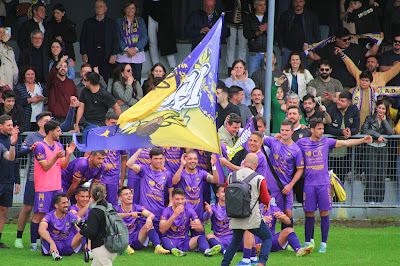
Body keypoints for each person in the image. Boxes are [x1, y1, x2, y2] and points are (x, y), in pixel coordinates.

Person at [297, 117, 372, 253]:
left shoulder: (326, 141)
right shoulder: (302, 142)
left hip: (324, 183)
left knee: (324, 212)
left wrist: (362, 140)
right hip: (309, 184)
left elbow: (345, 143)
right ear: (312, 130)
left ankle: (323, 244)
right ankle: (308, 241)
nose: (322, 131)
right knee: (308, 213)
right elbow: (290, 147)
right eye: (319, 128)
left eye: (322, 128)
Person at [30, 120, 75, 252]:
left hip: (56, 186)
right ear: (51, 132)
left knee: (53, 214)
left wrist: (68, 154)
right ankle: (34, 243)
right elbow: (45, 167)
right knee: (39, 214)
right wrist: (56, 156)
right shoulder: (40, 147)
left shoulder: (59, 145)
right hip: (43, 187)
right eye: (58, 131)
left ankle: (46, 241)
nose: (60, 133)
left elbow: (64, 166)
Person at [221, 153, 272, 266]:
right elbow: (265, 199)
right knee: (267, 237)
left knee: (236, 240)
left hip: (235, 214)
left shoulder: (230, 176)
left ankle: (225, 263)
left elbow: (226, 193)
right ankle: (261, 263)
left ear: (244, 162)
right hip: (251, 217)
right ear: (256, 165)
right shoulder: (259, 178)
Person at [14, 111, 50, 249]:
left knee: (43, 210)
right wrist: (30, 148)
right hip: (33, 178)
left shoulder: (52, 136)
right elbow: (20, 152)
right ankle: (19, 237)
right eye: (46, 120)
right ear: (39, 123)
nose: (48, 122)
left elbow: (66, 124)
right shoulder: (32, 137)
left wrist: (71, 109)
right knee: (28, 207)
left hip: (48, 180)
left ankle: (40, 239)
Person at [305, 27, 380, 90]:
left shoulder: (355, 48)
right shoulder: (329, 48)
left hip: (350, 85)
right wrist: (306, 49)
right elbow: (315, 57)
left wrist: (379, 41)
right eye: (344, 40)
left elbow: (371, 52)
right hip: (333, 86)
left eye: (349, 39)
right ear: (337, 39)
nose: (347, 41)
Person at [263, 120, 304, 227]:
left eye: (287, 130)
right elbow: (258, 140)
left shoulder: (296, 150)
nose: (284, 133)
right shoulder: (273, 141)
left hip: (285, 186)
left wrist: (290, 185)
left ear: (292, 132)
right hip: (271, 186)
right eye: (282, 130)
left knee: (287, 213)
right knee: (269, 212)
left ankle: (287, 240)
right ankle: (268, 240)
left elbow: (300, 169)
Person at [160, 188, 221, 257]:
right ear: (172, 199)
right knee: (164, 240)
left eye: (182, 199)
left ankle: (207, 250)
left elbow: (201, 229)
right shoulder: (167, 211)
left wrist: (196, 226)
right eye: (177, 199)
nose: (180, 201)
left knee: (201, 237)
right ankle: (174, 250)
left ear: (185, 199)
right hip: (170, 239)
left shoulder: (189, 210)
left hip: (184, 241)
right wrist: (174, 215)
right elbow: (162, 230)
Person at [126, 148, 174, 236]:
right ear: (150, 159)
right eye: (156, 159)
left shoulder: (167, 174)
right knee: (140, 243)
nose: (158, 161)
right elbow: (129, 164)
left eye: (160, 159)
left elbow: (171, 197)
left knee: (164, 240)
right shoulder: (144, 170)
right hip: (145, 215)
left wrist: (167, 212)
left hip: (160, 216)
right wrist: (140, 149)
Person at [115, 186, 170, 255]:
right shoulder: (116, 208)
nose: (129, 196)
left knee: (149, 223)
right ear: (120, 198)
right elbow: (112, 216)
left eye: (130, 193)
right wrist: (129, 214)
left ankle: (158, 247)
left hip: (136, 239)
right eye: (126, 194)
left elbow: (151, 214)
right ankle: (126, 247)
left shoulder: (137, 207)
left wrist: (149, 218)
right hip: (122, 238)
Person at [172, 151, 219, 223]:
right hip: (183, 212)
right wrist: (182, 165)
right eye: (190, 159)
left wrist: (213, 166)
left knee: (199, 233)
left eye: (195, 159)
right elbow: (174, 181)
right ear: (185, 159)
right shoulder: (181, 172)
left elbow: (215, 180)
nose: (193, 161)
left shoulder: (202, 173)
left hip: (198, 213)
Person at [361, 99, 393, 204]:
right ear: (376, 108)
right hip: (371, 147)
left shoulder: (388, 119)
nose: (381, 110)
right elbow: (364, 130)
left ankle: (379, 199)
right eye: (379, 108)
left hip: (383, 148)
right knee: (371, 172)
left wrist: (384, 120)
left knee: (381, 174)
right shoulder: (369, 118)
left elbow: (390, 132)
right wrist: (377, 135)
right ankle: (370, 199)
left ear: (386, 110)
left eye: (383, 109)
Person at [80, 0, 120, 81]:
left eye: (101, 6)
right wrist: (84, 53)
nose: (99, 8)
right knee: (91, 79)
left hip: (106, 56)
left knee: (104, 80)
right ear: (94, 9)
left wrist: (113, 54)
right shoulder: (88, 23)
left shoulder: (111, 23)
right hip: (92, 56)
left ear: (105, 9)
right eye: (97, 7)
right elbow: (82, 39)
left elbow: (116, 39)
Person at [74, 72, 121, 140]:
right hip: (87, 123)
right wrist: (77, 124)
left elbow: (116, 107)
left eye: (85, 80)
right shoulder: (85, 91)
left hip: (100, 124)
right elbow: (81, 107)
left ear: (89, 82)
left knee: (90, 133)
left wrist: (117, 123)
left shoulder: (104, 94)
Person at [79, 184, 117, 265]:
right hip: (113, 246)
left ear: (92, 196)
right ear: (105, 195)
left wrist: (82, 230)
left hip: (101, 248)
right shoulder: (111, 208)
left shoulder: (94, 211)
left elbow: (92, 232)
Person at [325, 91, 360, 177]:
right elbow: (327, 128)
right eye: (339, 100)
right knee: (330, 177)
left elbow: (356, 128)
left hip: (347, 152)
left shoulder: (354, 109)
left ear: (348, 103)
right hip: (331, 151)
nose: (339, 102)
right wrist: (341, 132)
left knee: (342, 176)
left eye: (342, 101)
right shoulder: (331, 109)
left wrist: (349, 132)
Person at [38, 193, 83, 260]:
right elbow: (41, 229)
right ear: (56, 205)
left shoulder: (71, 215)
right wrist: (52, 243)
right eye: (63, 203)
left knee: (84, 230)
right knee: (43, 232)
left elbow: (82, 223)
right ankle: (54, 252)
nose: (67, 205)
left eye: (67, 202)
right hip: (53, 243)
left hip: (67, 243)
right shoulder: (49, 216)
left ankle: (89, 251)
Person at [278, 0, 320, 69]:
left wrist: (313, 51)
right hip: (288, 50)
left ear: (304, 2)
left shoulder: (311, 16)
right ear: (292, 2)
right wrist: (282, 47)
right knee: (285, 74)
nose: (298, 4)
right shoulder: (286, 15)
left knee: (305, 75)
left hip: (305, 51)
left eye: (300, 1)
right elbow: (280, 32)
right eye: (296, 1)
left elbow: (317, 34)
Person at [98, 112, 127, 205]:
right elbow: (88, 155)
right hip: (99, 175)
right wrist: (101, 165)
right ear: (106, 122)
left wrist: (122, 179)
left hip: (113, 177)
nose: (115, 126)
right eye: (113, 123)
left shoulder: (121, 139)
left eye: (117, 124)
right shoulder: (99, 136)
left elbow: (124, 159)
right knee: (99, 203)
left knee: (112, 205)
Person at [116, 0, 148, 83]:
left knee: (136, 80)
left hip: (137, 56)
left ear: (136, 10)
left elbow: (144, 37)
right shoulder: (119, 21)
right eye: (128, 8)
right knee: (122, 80)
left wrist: (136, 49)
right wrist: (127, 49)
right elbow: (117, 37)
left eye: (133, 8)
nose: (130, 10)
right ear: (124, 9)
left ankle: (136, 96)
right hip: (123, 56)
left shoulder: (140, 21)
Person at [336, 49, 400, 90]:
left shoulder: (383, 75)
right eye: (368, 62)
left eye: (372, 62)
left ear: (377, 65)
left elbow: (396, 69)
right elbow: (350, 66)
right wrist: (342, 55)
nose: (370, 64)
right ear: (366, 65)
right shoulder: (360, 74)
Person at [0, 114, 19, 249]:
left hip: (7, 181)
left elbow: (12, 158)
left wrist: (13, 143)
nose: (11, 128)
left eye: (12, 125)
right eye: (9, 125)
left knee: (3, 210)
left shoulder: (11, 140)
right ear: (1, 126)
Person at [142, 0, 177, 70]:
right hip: (150, 11)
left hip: (164, 11)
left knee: (166, 40)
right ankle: (155, 66)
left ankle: (173, 67)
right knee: (152, 41)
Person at [203, 184, 236, 255]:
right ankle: (225, 251)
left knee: (247, 232)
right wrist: (208, 212)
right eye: (223, 191)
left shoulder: (234, 206)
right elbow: (205, 218)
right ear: (217, 194)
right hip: (220, 239)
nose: (225, 193)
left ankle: (256, 248)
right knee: (209, 235)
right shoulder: (213, 207)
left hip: (233, 238)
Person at [46, 55, 78, 123]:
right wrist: (59, 62)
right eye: (60, 66)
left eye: (65, 66)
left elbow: (76, 98)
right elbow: (51, 75)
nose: (63, 68)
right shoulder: (52, 81)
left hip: (69, 118)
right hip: (54, 118)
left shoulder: (71, 83)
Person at [14, 66, 47, 131]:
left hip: (40, 118)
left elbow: (47, 99)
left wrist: (41, 98)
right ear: (24, 76)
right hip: (26, 118)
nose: (30, 76)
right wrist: (31, 100)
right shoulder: (19, 88)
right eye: (28, 74)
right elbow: (17, 102)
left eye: (32, 74)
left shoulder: (40, 86)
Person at [243, 0, 268, 76]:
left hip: (267, 53)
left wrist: (267, 29)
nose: (263, 7)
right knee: (253, 75)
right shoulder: (249, 18)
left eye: (264, 5)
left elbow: (277, 33)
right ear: (255, 6)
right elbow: (246, 34)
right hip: (254, 52)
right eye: (260, 5)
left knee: (267, 76)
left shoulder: (269, 17)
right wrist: (258, 32)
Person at [225, 0, 250, 74]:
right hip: (230, 22)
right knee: (230, 47)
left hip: (243, 23)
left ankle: (241, 68)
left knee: (243, 47)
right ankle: (230, 69)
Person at [0, 25, 18, 90]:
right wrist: (3, 42)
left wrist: (15, 78)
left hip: (9, 81)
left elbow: (14, 65)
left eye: (4, 32)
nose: (3, 35)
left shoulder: (10, 49)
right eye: (0, 32)